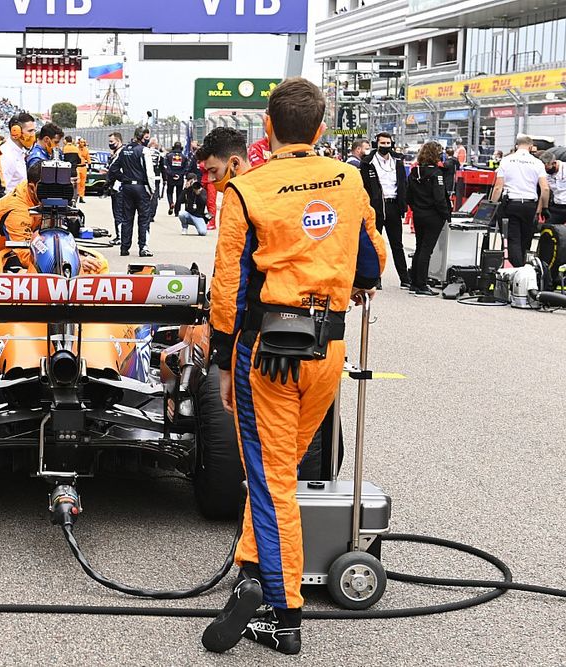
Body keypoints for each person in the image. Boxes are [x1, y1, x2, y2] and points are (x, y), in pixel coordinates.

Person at [201, 78, 385, 657]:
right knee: (277, 474)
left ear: (267, 125)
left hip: (268, 357)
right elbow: (372, 266)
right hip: (327, 352)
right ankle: (252, 573)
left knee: (270, 478)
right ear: (322, 128)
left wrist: (224, 364)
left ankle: (284, 615)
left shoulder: (246, 190)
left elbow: (228, 289)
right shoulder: (349, 179)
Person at [360, 132, 411, 288]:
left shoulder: (397, 160)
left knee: (397, 244)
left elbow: (403, 183)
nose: (385, 146)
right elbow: (364, 185)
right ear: (377, 143)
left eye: (388, 143)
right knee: (375, 244)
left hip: (394, 205)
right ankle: (376, 279)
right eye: (382, 143)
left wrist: (404, 203)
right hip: (376, 206)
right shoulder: (368, 162)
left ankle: (405, 278)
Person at [491, 135, 550, 267]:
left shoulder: (506, 160)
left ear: (516, 146)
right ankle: (524, 270)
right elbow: (545, 189)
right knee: (525, 240)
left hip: (511, 204)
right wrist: (544, 208)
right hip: (530, 206)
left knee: (512, 240)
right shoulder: (537, 163)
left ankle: (516, 272)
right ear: (530, 147)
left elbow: (498, 187)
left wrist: (491, 205)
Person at [407, 142, 451, 296]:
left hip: (418, 214)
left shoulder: (414, 172)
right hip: (433, 216)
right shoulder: (436, 174)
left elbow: (408, 196)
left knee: (419, 248)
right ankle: (422, 285)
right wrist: (446, 214)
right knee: (427, 250)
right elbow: (440, 198)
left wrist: (417, 208)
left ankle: (414, 282)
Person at [107, 126, 156, 257]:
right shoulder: (144, 150)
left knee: (127, 218)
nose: (147, 140)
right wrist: (152, 190)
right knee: (144, 218)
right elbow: (149, 173)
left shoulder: (123, 151)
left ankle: (124, 248)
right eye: (146, 137)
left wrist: (123, 178)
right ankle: (143, 247)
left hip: (127, 188)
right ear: (141, 138)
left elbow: (113, 169)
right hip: (141, 187)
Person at [0, 113, 37, 191]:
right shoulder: (6, 155)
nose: (33, 135)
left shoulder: (20, 152)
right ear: (15, 131)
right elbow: (3, 190)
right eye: (30, 131)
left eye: (34, 131)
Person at [106, 132, 125, 244]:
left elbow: (115, 170)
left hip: (119, 187)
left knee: (119, 212)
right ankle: (120, 235)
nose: (110, 144)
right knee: (117, 212)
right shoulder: (115, 153)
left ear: (119, 141)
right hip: (116, 186)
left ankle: (120, 237)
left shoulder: (121, 153)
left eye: (112, 142)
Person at [539, 151, 566, 225]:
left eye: (547, 169)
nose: (546, 171)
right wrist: (540, 210)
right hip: (556, 206)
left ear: (554, 163)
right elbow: (544, 191)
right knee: (548, 227)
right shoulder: (544, 174)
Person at [163, 142, 188, 216]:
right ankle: (177, 211)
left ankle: (171, 203)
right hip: (180, 178)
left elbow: (166, 167)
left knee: (169, 192)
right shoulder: (184, 157)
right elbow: (186, 168)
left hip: (170, 178)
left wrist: (172, 174)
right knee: (179, 194)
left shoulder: (168, 156)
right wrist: (179, 175)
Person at [76, 138, 91, 203]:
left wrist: (90, 168)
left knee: (82, 183)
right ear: (79, 142)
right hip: (77, 167)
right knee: (77, 183)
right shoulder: (76, 149)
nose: (82, 143)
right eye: (81, 142)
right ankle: (76, 196)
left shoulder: (86, 150)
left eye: (83, 142)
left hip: (84, 168)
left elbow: (88, 159)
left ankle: (81, 197)